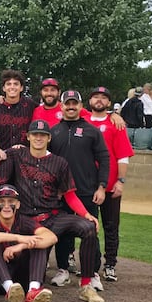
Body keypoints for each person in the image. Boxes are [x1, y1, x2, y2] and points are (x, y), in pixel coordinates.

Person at [7, 120, 104, 302]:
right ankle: (34, 288)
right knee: (31, 261)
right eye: (35, 134)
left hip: (53, 217)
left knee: (88, 227)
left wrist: (86, 215)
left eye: (42, 135)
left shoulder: (59, 163)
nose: (38, 138)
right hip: (27, 220)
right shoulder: (17, 155)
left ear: (49, 138)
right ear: (28, 137)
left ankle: (86, 285)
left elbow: (69, 195)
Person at [48, 91, 109, 290]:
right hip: (61, 193)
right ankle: (63, 269)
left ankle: (92, 273)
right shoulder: (54, 131)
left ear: (81, 106)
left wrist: (101, 187)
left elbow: (104, 159)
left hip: (87, 191)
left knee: (90, 232)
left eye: (74, 103)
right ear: (62, 106)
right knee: (62, 232)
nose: (71, 107)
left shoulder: (92, 131)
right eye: (67, 103)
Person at [0, 184, 57, 302]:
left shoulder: (23, 220)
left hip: (20, 282)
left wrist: (22, 245)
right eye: (2, 202)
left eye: (11, 201)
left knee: (37, 242)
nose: (6, 206)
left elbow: (51, 237)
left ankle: (33, 292)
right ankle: (9, 291)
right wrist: (18, 238)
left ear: (17, 205)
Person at [86, 87, 134, 282]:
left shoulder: (116, 124)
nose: (99, 100)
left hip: (111, 183)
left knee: (111, 226)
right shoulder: (82, 120)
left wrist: (121, 182)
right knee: (88, 226)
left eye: (104, 98)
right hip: (87, 184)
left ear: (109, 103)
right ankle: (91, 265)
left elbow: (123, 156)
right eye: (96, 97)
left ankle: (110, 264)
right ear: (89, 101)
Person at [0, 69, 38, 149]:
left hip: (25, 153)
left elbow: (46, 109)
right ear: (4, 88)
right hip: (2, 153)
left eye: (16, 84)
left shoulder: (30, 105)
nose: (12, 87)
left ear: (21, 88)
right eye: (8, 84)